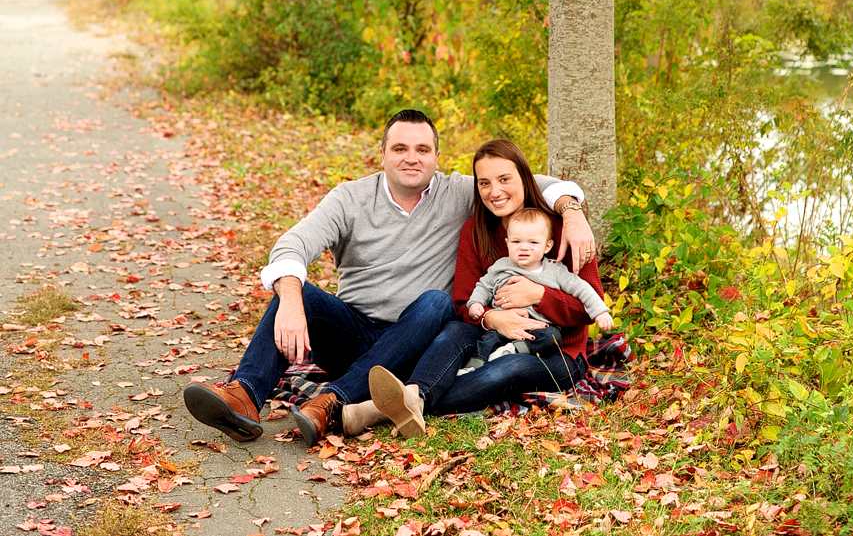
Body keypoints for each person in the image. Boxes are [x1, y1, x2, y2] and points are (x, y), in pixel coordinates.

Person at [183, 112, 595, 446]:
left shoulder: (461, 193)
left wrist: (571, 211)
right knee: (295, 290)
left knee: (434, 301)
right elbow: (293, 244)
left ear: (437, 157)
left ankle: (332, 402)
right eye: (399, 148)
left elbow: (529, 184)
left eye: (421, 149)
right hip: (354, 335)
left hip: (416, 340)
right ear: (382, 154)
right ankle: (244, 397)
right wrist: (290, 300)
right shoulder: (350, 198)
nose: (411, 158)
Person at [358, 138, 611, 436]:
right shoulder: (475, 231)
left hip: (556, 352)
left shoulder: (560, 229)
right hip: (489, 337)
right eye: (485, 183)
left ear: (525, 179)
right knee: (453, 331)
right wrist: (491, 317)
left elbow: (588, 306)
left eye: (505, 179)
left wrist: (540, 296)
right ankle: (410, 399)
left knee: (508, 369)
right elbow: (464, 303)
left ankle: (383, 407)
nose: (495, 191)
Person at [463, 207, 612, 369]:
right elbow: (483, 286)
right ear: (507, 243)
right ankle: (473, 366)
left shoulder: (555, 271)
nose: (524, 247)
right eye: (516, 241)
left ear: (547, 246)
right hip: (504, 325)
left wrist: (600, 312)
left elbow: (582, 289)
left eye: (533, 242)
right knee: (487, 339)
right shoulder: (501, 266)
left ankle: (511, 351)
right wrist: (476, 303)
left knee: (552, 337)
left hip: (538, 330)